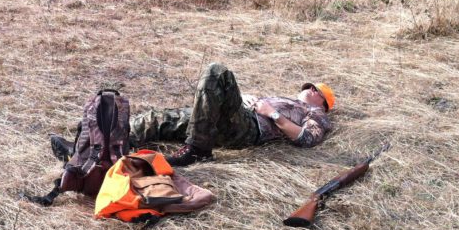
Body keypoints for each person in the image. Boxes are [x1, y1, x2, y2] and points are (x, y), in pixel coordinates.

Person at [51, 63, 335, 168]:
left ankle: (197, 150)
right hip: (235, 117)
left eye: (313, 88)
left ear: (322, 100)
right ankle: (87, 150)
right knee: (157, 119)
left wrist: (272, 113)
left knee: (217, 72)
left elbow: (307, 139)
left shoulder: (316, 114)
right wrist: (248, 99)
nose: (307, 88)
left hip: (250, 129)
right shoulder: (291, 100)